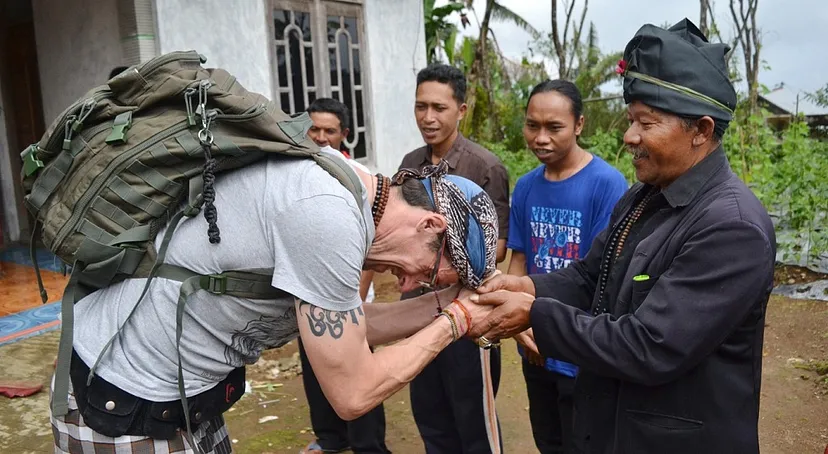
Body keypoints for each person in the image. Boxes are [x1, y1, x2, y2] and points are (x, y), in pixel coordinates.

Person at [51, 137, 502, 453]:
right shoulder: (328, 216)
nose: (408, 285)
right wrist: (457, 321)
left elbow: (352, 327)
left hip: (181, 398)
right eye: (426, 273)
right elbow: (353, 392)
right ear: (431, 225)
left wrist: (447, 303)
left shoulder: (347, 190)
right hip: (123, 396)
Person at [469, 18, 776, 453]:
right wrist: (529, 285)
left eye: (646, 124)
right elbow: (590, 277)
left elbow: (649, 345)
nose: (629, 136)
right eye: (631, 120)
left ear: (701, 131)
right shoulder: (643, 196)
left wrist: (533, 313)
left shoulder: (731, 227)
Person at [507, 79, 627, 453]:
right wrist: (518, 326)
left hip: (581, 350)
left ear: (579, 125)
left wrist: (556, 330)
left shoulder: (606, 185)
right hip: (534, 344)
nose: (540, 138)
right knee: (549, 441)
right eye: (532, 125)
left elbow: (600, 278)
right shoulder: (526, 187)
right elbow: (520, 261)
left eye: (554, 127)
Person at [397, 63, 510, 454]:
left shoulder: (485, 167)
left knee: (473, 419)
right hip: (416, 309)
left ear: (461, 110)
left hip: (466, 311)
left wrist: (441, 255)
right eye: (420, 106)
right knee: (429, 412)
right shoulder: (409, 164)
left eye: (439, 108)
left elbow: (496, 248)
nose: (428, 117)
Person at [300, 97, 388, 454]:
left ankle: (369, 446)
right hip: (307, 295)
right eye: (315, 129)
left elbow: (371, 252)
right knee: (315, 371)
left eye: (329, 131)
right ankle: (330, 438)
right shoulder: (298, 174)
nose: (321, 137)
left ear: (345, 135)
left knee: (357, 374)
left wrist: (354, 296)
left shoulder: (362, 180)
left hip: (350, 298)